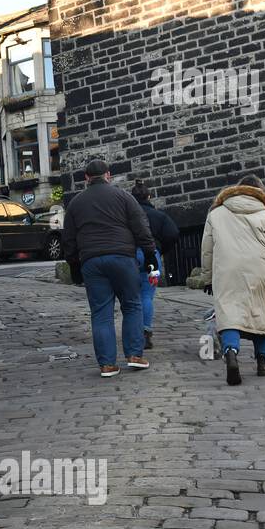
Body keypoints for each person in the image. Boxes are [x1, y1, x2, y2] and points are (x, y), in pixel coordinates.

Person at [63, 159, 160, 377]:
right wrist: (150, 255)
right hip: (123, 257)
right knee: (132, 305)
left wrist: (74, 265)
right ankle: (135, 355)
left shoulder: (76, 204)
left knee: (101, 313)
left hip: (92, 261)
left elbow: (68, 238)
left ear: (86, 178)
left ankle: (107, 364)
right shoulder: (124, 197)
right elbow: (141, 228)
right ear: (108, 175)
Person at [200, 174, 265, 386]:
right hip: (259, 269)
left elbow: (207, 249)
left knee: (229, 311)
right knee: (261, 311)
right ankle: (262, 361)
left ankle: (230, 351)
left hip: (227, 270)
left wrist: (207, 278)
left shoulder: (216, 213)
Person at [131, 181, 179, 349]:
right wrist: (161, 250)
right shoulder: (159, 216)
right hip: (153, 256)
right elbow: (173, 234)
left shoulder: (128, 216)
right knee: (147, 295)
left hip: (131, 256)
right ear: (149, 196)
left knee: (132, 296)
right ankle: (146, 331)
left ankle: (134, 331)